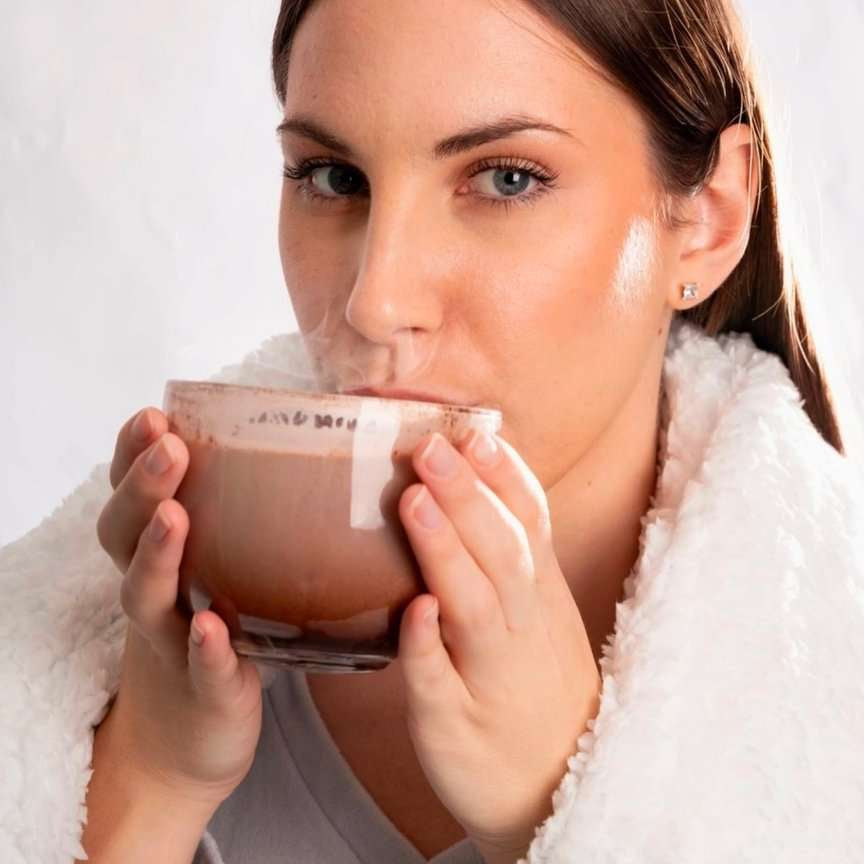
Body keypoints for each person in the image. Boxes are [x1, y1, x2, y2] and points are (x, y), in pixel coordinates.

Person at [1, 1, 862, 863]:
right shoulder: (133, 676)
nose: (373, 303)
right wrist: (148, 780)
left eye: (507, 179)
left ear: (709, 218)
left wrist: (559, 814)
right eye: (334, 177)